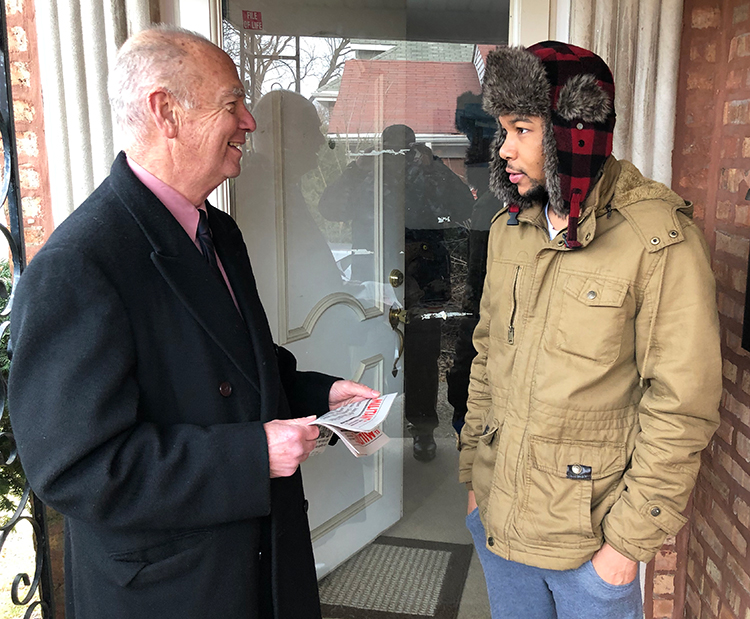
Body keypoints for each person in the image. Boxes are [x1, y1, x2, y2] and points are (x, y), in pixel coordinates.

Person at [7, 26, 377, 619]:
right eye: (233, 102)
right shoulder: (79, 265)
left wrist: (320, 392)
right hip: (172, 591)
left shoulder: (216, 230)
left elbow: (233, 363)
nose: (250, 121)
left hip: (260, 564)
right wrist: (251, 456)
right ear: (166, 113)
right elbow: (76, 468)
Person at [459, 41, 722, 618]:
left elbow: (682, 406)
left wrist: (625, 548)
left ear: (571, 127)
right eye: (502, 129)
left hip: (589, 549)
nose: (502, 148)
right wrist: (473, 477)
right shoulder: (512, 226)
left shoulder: (658, 240)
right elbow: (487, 356)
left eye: (521, 129)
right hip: (499, 523)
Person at [318, 124, 474, 461]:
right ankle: (376, 425)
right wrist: (356, 168)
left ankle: (422, 429)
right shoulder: (366, 175)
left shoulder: (427, 173)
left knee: (422, 353)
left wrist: (434, 167)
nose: (396, 156)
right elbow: (329, 208)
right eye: (389, 149)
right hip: (375, 275)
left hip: (424, 274)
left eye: (403, 149)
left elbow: (463, 206)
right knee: (375, 351)